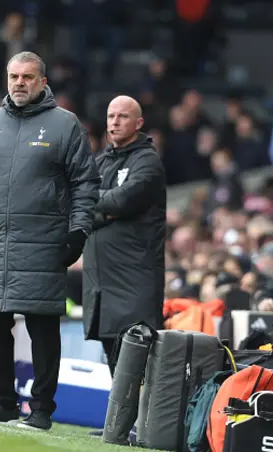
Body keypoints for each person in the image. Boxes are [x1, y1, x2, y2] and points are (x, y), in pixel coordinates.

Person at [0, 51, 100, 431]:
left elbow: (85, 183)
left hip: (43, 242)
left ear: (43, 82)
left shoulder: (65, 126)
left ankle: (43, 408)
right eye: (13, 76)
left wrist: (79, 230)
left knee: (42, 324)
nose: (19, 83)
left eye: (28, 77)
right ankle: (2, 401)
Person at [82, 95, 166, 377]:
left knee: (136, 362)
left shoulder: (147, 162)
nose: (115, 122)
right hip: (102, 282)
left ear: (139, 123)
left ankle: (135, 423)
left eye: (123, 116)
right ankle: (118, 422)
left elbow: (121, 201)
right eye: (110, 116)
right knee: (112, 357)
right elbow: (76, 204)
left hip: (133, 279)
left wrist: (102, 206)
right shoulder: (100, 160)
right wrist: (104, 210)